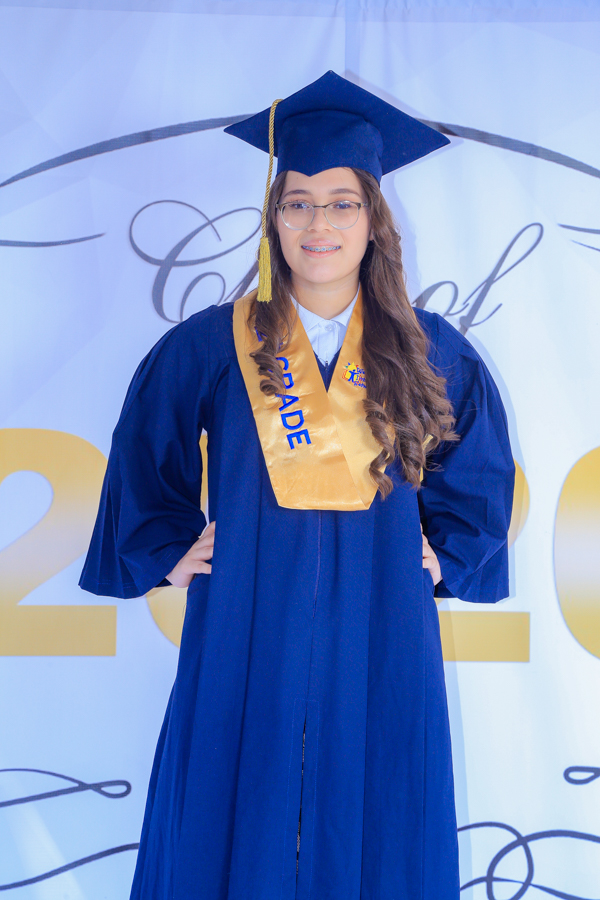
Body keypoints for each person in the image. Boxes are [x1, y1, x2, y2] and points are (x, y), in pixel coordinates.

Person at [80, 71, 515, 900]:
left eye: (343, 203)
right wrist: (167, 547)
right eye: (299, 203)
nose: (320, 224)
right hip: (245, 612)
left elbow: (479, 468)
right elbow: (144, 449)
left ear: (374, 220)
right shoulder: (214, 343)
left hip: (382, 616)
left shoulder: (430, 348)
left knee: (378, 793)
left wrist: (448, 556)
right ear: (273, 219)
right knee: (229, 791)